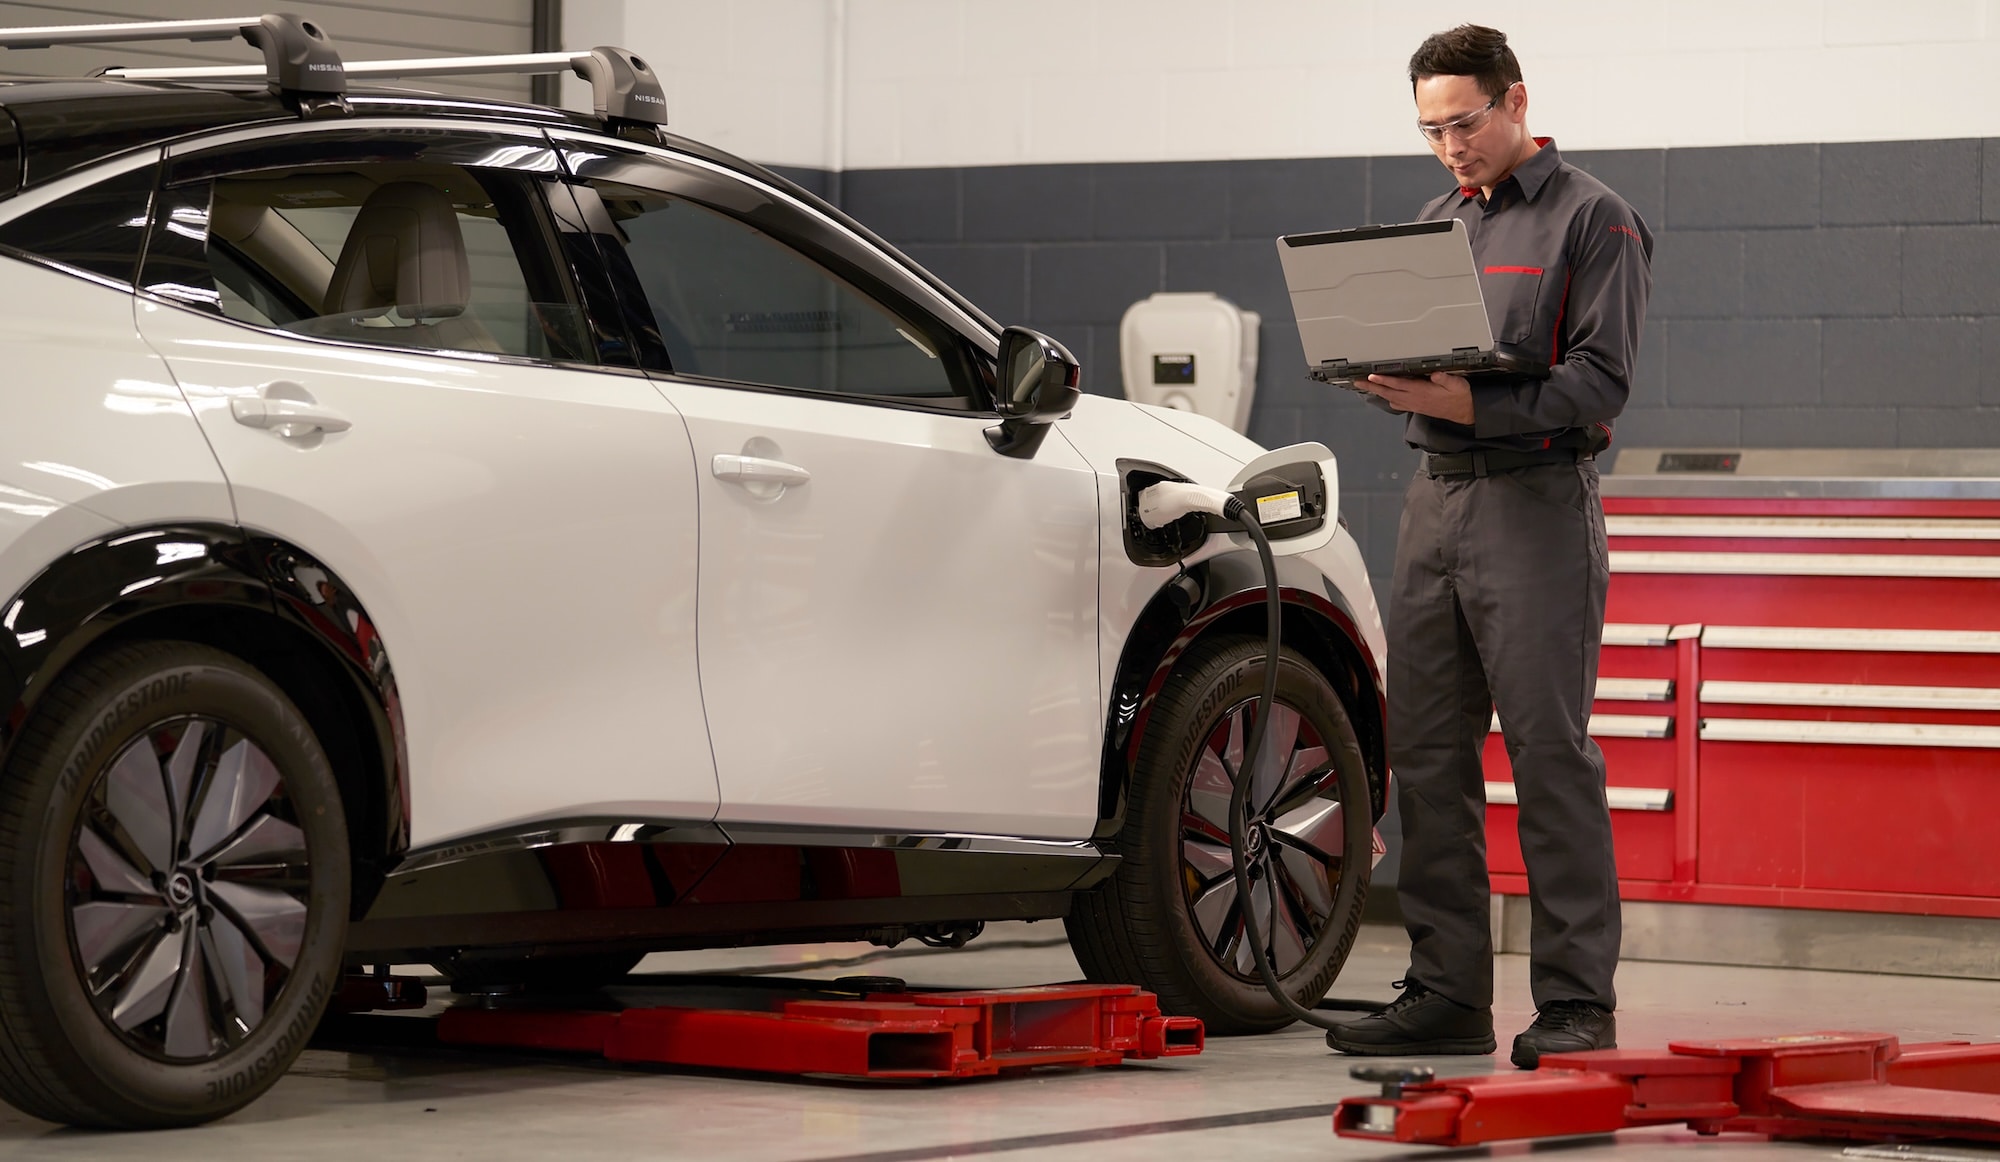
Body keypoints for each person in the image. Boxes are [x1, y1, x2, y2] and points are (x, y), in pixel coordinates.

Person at [1326, 24, 1652, 1069]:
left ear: (1515, 101)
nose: (1449, 148)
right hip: (1434, 501)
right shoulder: (1433, 222)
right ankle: (1444, 989)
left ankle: (1573, 1003)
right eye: (1429, 131)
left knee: (1548, 755)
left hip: (1534, 504)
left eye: (1462, 123)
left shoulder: (1594, 219)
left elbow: (1600, 382)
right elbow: (1426, 365)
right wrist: (1391, 382)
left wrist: (1469, 398)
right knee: (1424, 756)